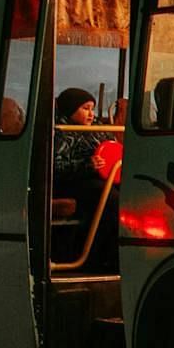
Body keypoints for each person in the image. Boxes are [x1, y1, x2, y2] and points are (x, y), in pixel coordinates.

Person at [52, 87, 120, 269]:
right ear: (71, 109)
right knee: (110, 199)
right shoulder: (61, 132)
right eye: (85, 109)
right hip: (73, 182)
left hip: (106, 177)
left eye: (92, 108)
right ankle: (97, 257)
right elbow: (54, 167)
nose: (90, 114)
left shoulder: (98, 129)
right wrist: (86, 165)